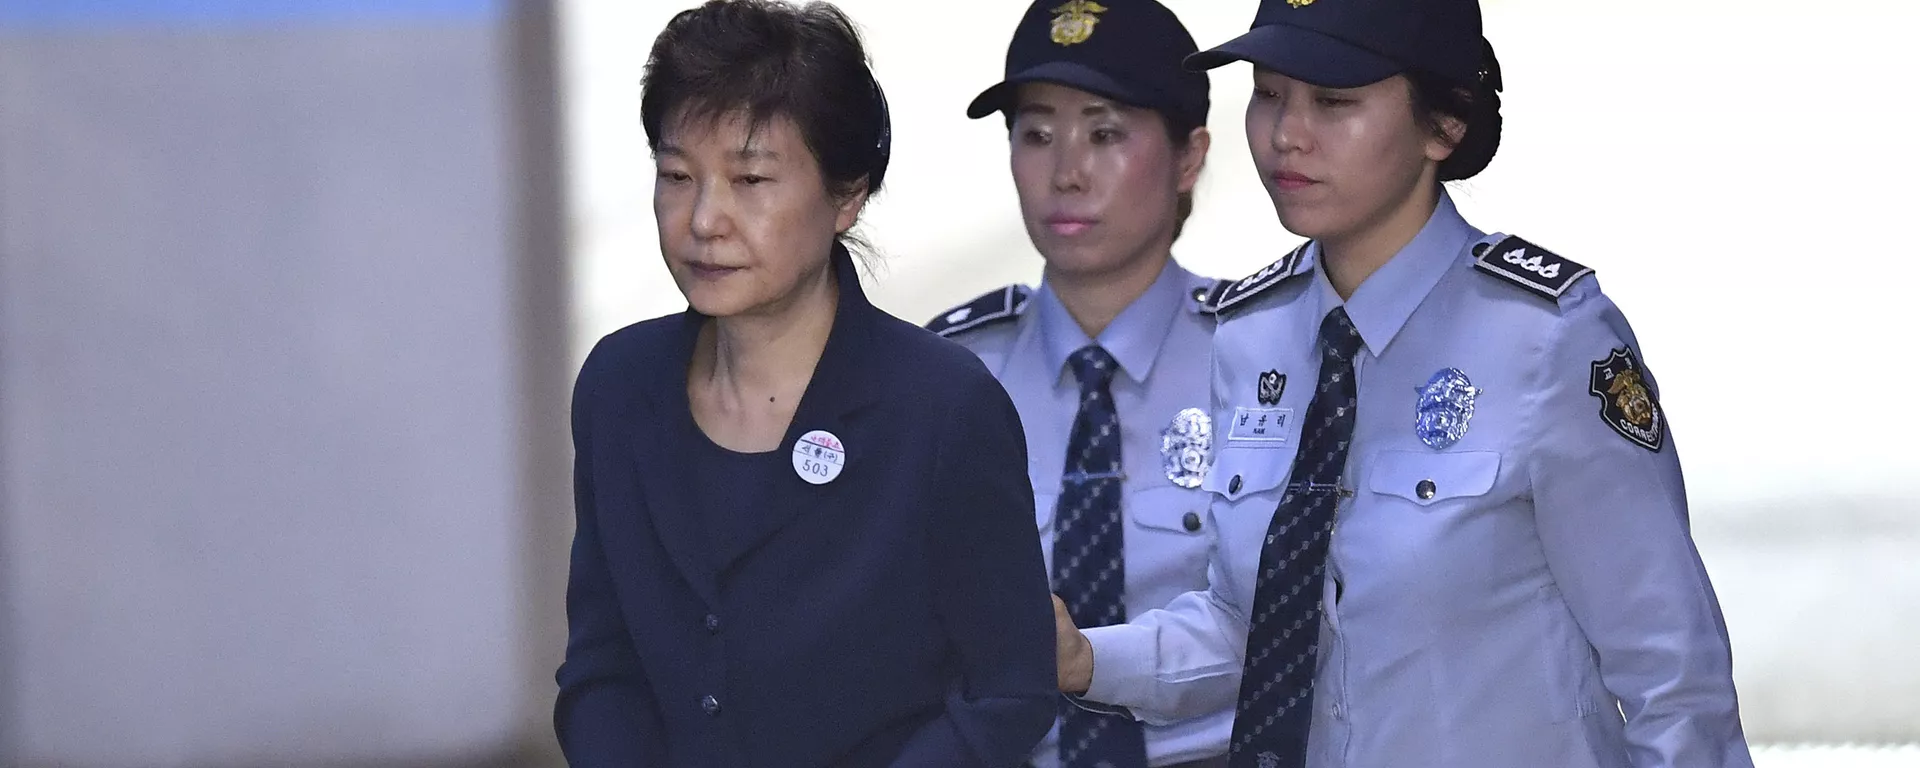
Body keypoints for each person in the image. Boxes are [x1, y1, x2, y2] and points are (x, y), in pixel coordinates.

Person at [1047, 0, 1757, 766]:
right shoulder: (1252, 336)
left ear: (1442, 126)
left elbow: (1674, 684)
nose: (1287, 133)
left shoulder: (1548, 340)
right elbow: (1253, 628)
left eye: (1335, 100)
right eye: (1269, 92)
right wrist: (1086, 658)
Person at [553, 1, 1057, 765]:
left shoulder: (942, 407)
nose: (704, 220)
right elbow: (600, 665)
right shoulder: (619, 388)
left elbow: (1008, 691)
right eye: (677, 176)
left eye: (751, 179)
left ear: (846, 194)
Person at [926, 2, 1231, 767]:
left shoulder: (1265, 361)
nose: (1065, 172)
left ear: (1189, 156)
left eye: (1104, 133)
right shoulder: (948, 373)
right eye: (1036, 135)